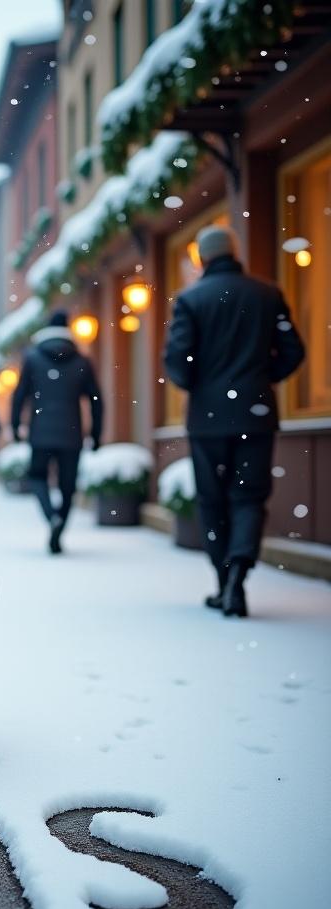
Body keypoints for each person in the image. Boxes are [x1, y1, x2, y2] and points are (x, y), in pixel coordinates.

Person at [163, 225, 305, 617]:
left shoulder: (191, 300)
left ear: (202, 258)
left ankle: (223, 581)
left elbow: (177, 362)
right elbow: (293, 350)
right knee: (249, 496)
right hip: (256, 415)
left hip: (208, 420)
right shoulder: (267, 294)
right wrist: (261, 379)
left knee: (212, 500)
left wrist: (201, 386)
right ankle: (239, 574)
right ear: (233, 252)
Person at [10, 310, 103, 554]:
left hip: (40, 432)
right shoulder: (82, 362)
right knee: (67, 485)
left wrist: (15, 426)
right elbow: (96, 400)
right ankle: (59, 523)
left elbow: (19, 395)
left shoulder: (33, 359)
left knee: (38, 476)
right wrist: (96, 433)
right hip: (71, 434)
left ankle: (51, 516)